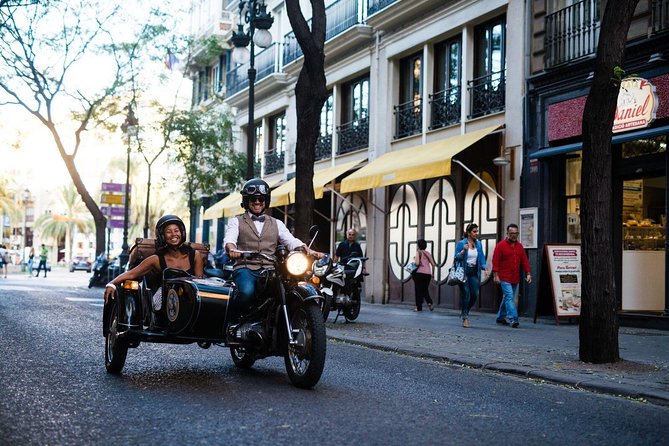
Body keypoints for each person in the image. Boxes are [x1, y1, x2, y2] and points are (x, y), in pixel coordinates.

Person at [223, 178, 322, 335]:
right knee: (247, 291)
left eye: (261, 199)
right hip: (246, 267)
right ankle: (233, 320)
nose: (257, 202)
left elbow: (290, 240)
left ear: (266, 201)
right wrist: (232, 248)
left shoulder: (276, 223)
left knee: (288, 287)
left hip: (271, 269)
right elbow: (229, 239)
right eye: (253, 199)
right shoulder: (236, 222)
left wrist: (307, 249)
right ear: (246, 201)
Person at [104, 215, 204, 304]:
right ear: (162, 236)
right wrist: (111, 283)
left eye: (176, 230)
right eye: (168, 232)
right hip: (164, 301)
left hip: (189, 299)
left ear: (182, 233)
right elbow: (132, 273)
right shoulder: (156, 259)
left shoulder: (195, 255)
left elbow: (199, 283)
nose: (173, 234)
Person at [492, 223, 532, 328]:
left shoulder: (520, 246)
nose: (514, 235)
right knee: (509, 297)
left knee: (507, 297)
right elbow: (495, 261)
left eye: (516, 233)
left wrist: (528, 273)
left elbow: (524, 261)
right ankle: (513, 318)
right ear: (507, 233)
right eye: (512, 233)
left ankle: (500, 317)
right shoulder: (500, 246)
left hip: (515, 277)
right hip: (504, 277)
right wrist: (495, 275)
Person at [454, 223, 488, 328]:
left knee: (475, 294)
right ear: (468, 233)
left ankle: (465, 311)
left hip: (474, 271)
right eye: (474, 231)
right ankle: (465, 317)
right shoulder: (461, 243)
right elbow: (456, 257)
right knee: (466, 293)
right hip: (464, 271)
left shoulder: (478, 244)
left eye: (477, 231)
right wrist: (463, 251)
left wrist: (485, 267)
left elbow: (481, 256)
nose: (476, 233)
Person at [412, 239, 436, 312]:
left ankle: (419, 307)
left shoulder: (418, 252)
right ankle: (429, 302)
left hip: (419, 273)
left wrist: (415, 258)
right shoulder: (428, 253)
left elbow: (417, 263)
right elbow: (433, 264)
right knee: (424, 290)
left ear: (418, 245)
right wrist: (432, 274)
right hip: (428, 274)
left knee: (418, 290)